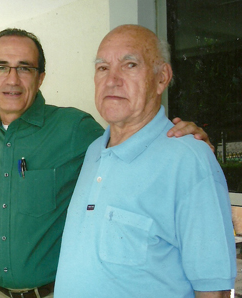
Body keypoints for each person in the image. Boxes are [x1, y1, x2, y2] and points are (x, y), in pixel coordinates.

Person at [0, 28, 212, 298]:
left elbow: (130, 140)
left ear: (41, 77)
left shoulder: (73, 129)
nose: (12, 79)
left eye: (25, 68)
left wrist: (183, 137)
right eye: (1, 67)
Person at [55, 24, 236, 298]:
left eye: (129, 65)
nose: (112, 80)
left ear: (162, 77)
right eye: (102, 68)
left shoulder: (189, 159)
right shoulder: (94, 151)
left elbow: (215, 291)